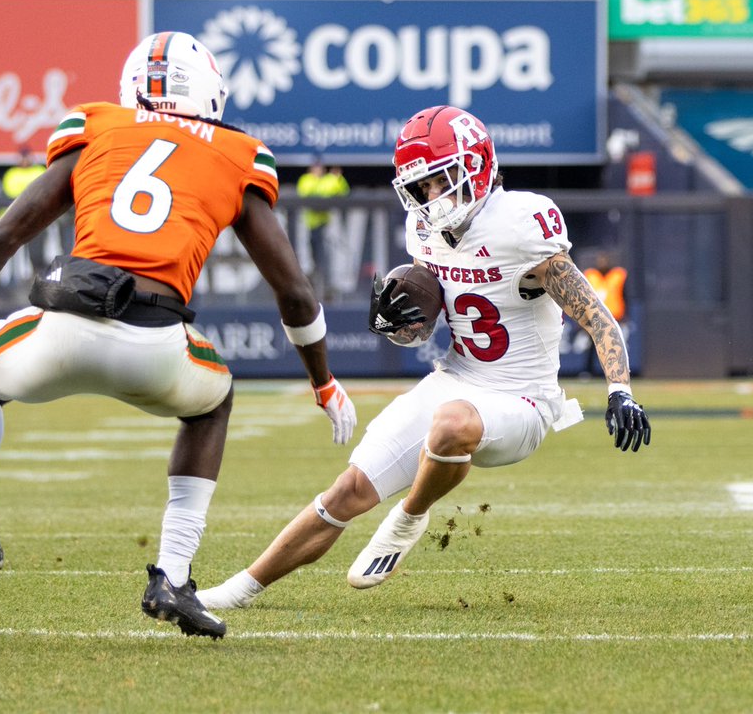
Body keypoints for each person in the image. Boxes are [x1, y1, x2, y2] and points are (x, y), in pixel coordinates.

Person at [0, 31, 357, 640]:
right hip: (158, 344)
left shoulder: (95, 125)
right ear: (208, 92)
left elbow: (3, 236)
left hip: (64, 326)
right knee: (214, 398)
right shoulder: (236, 152)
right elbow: (296, 292)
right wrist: (323, 382)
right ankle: (172, 575)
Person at [197, 105, 650, 611]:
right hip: (456, 377)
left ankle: (409, 517)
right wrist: (404, 326)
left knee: (450, 424)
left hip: (523, 401)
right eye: (421, 187)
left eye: (441, 180)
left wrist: (620, 389)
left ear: (476, 166)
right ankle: (240, 589)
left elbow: (595, 314)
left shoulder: (522, 223)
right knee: (348, 489)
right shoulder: (424, 230)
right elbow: (429, 321)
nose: (431, 197)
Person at [296, 157, 350, 301]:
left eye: (320, 168)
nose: (318, 171)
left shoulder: (328, 180)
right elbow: (310, 192)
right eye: (315, 168)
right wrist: (328, 183)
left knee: (326, 256)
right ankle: (311, 282)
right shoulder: (306, 179)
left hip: (326, 225)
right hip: (308, 226)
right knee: (310, 256)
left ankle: (327, 287)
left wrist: (336, 178)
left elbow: (342, 190)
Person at [582, 249, 628, 376]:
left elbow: (624, 295)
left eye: (604, 260)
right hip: (595, 316)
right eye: (600, 260)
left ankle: (615, 372)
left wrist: (625, 315)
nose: (602, 263)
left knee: (614, 346)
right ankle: (588, 370)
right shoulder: (591, 275)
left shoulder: (617, 275)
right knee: (593, 345)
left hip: (614, 315)